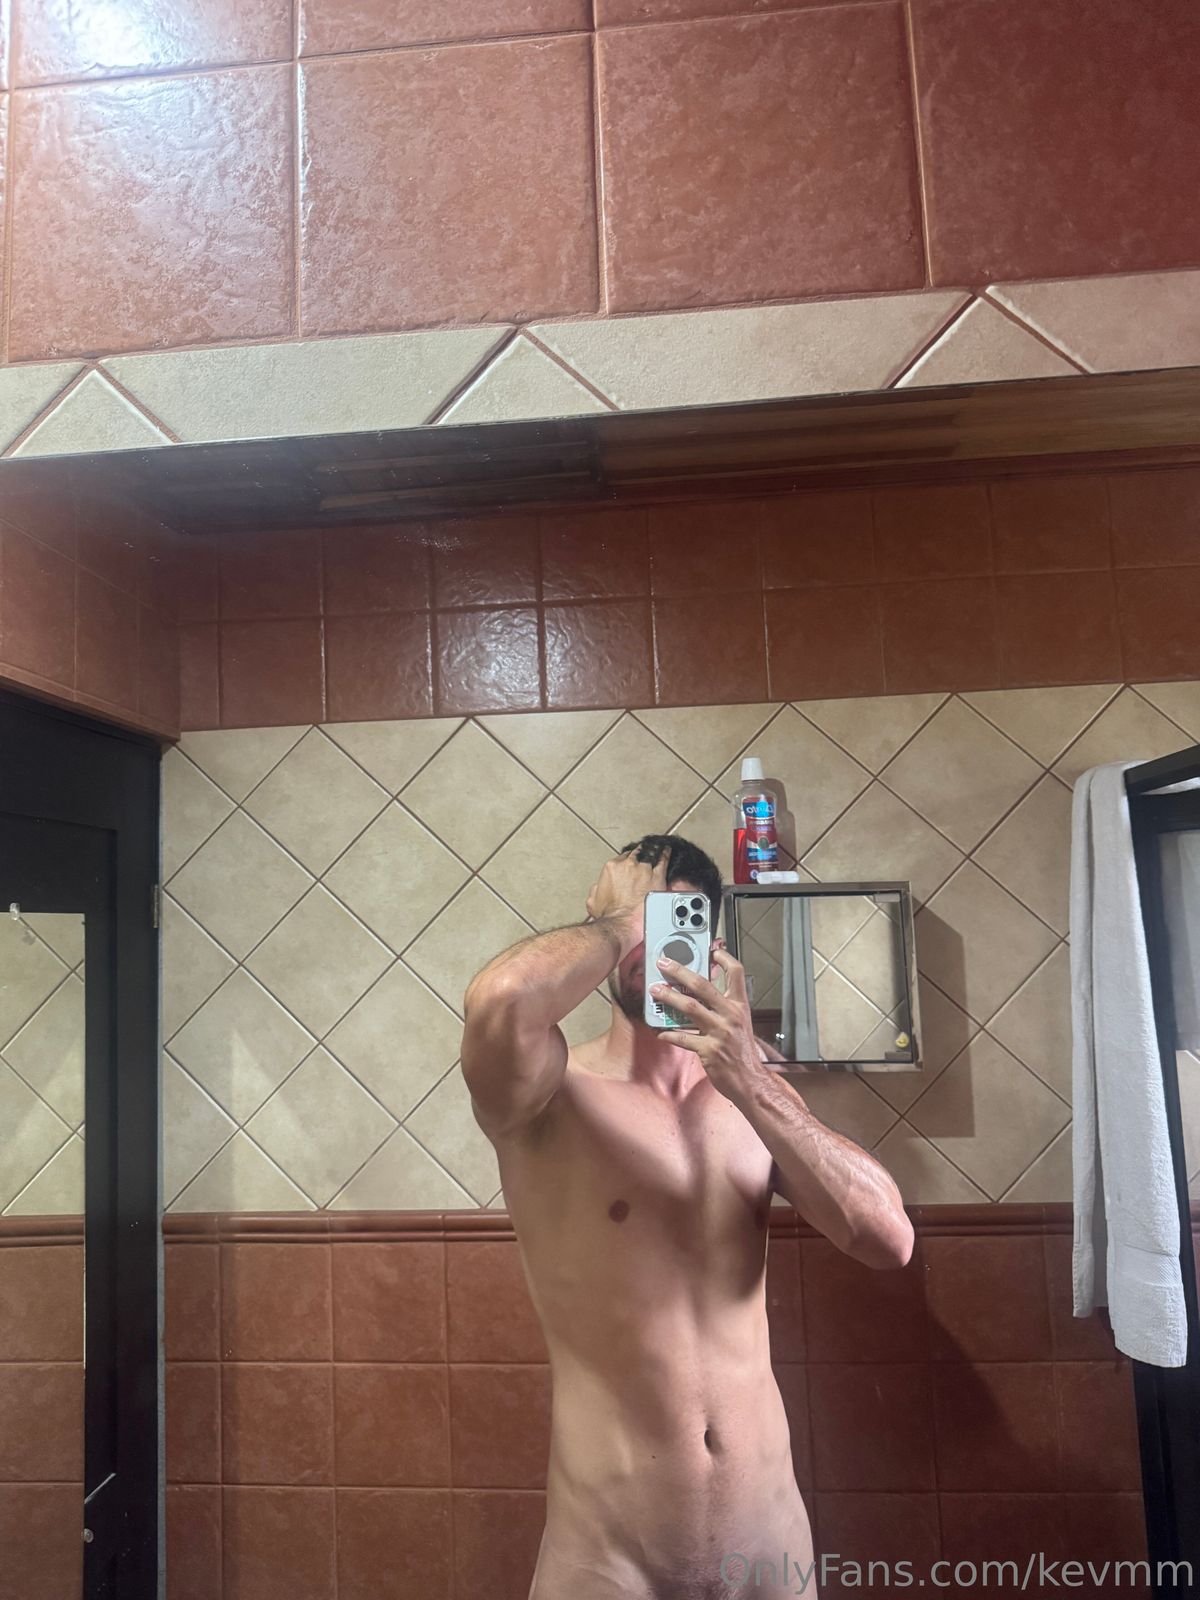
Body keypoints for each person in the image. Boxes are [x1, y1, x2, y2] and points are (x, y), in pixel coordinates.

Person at [461, 834, 914, 1600]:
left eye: (675, 919)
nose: (651, 940)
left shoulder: (749, 1096)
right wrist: (621, 923)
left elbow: (886, 1238)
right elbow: (501, 999)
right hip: (607, 1562)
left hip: (768, 1552)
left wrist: (754, 1083)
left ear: (710, 941)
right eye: (635, 921)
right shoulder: (545, 1094)